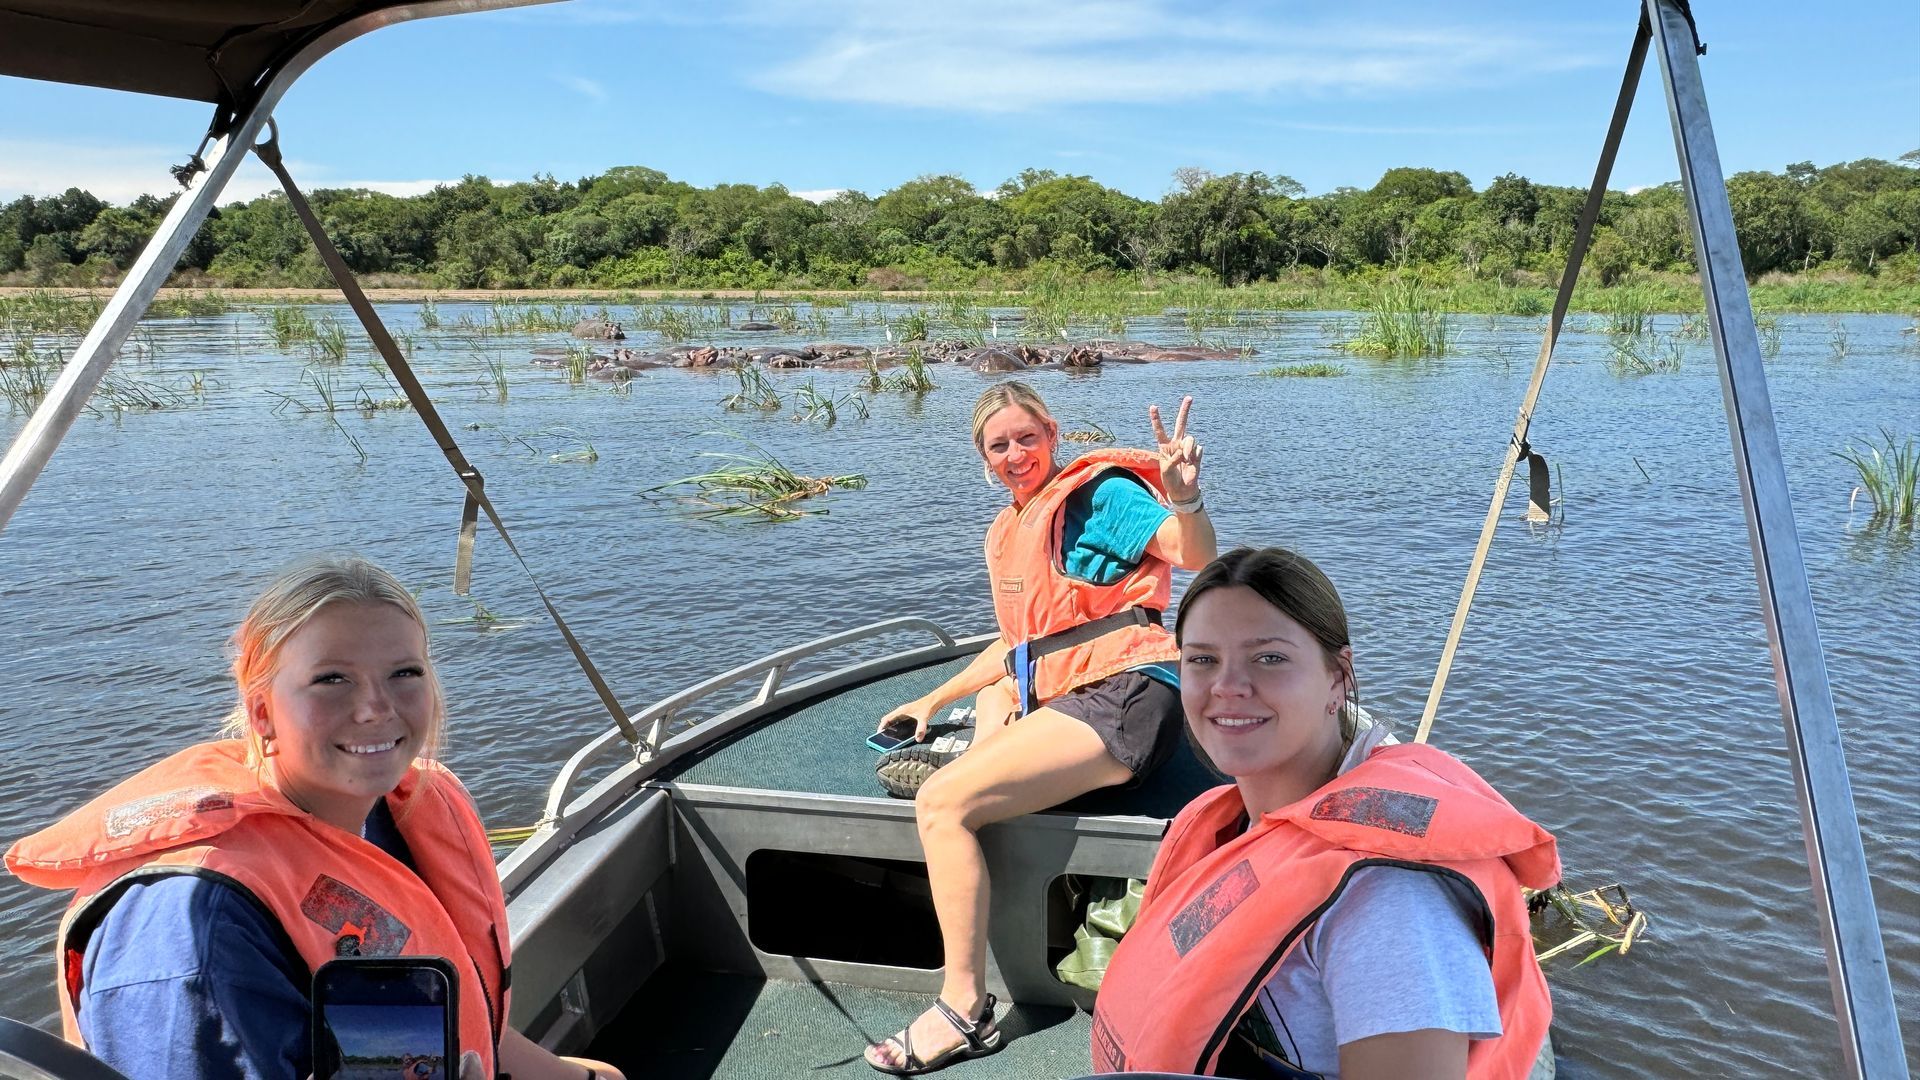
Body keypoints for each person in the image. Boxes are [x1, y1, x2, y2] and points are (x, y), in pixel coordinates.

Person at [5, 555, 626, 1080]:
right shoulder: (193, 933)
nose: (375, 709)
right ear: (263, 714)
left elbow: (465, 1026)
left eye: (404, 673)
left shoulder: (394, 813)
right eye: (332, 679)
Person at [1089, 547, 1560, 1080]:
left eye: (1269, 657)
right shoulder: (1230, 824)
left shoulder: (1387, 898)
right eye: (1203, 659)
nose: (1227, 686)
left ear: (1338, 677)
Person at [864, 381, 1218, 1075]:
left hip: (1127, 694)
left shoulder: (1095, 496)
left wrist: (1184, 493)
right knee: (997, 693)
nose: (1016, 454)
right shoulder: (1012, 526)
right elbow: (1018, 646)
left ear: (1052, 434)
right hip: (1068, 690)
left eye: (1027, 438)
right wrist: (931, 701)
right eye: (1000, 446)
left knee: (943, 805)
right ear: (983, 458)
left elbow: (1193, 552)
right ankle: (977, 758)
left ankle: (964, 1009)